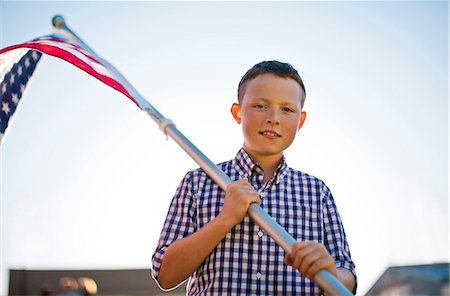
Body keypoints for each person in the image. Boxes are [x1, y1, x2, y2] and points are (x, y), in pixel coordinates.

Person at [152, 60, 357, 295]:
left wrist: (328, 270)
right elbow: (165, 275)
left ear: (300, 121)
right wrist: (225, 219)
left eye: (287, 109)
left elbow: (347, 280)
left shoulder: (317, 192)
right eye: (260, 106)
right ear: (238, 112)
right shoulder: (197, 183)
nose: (273, 118)